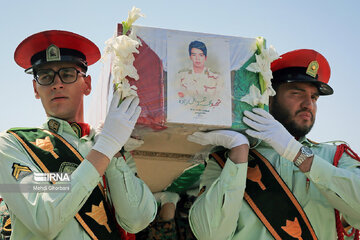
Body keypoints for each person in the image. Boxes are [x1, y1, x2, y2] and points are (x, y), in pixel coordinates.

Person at [187, 49, 360, 239]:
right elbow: (210, 234)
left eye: (314, 97)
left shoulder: (335, 156)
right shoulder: (227, 157)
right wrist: (238, 153)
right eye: (296, 93)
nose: (308, 104)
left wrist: (298, 155)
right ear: (268, 96)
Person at [0, 30, 157, 240]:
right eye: (45, 76)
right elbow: (43, 218)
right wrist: (105, 149)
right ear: (36, 89)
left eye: (67, 74)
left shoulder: (111, 144)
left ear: (87, 84)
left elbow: (137, 219)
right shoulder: (13, 145)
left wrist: (111, 151)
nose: (57, 83)